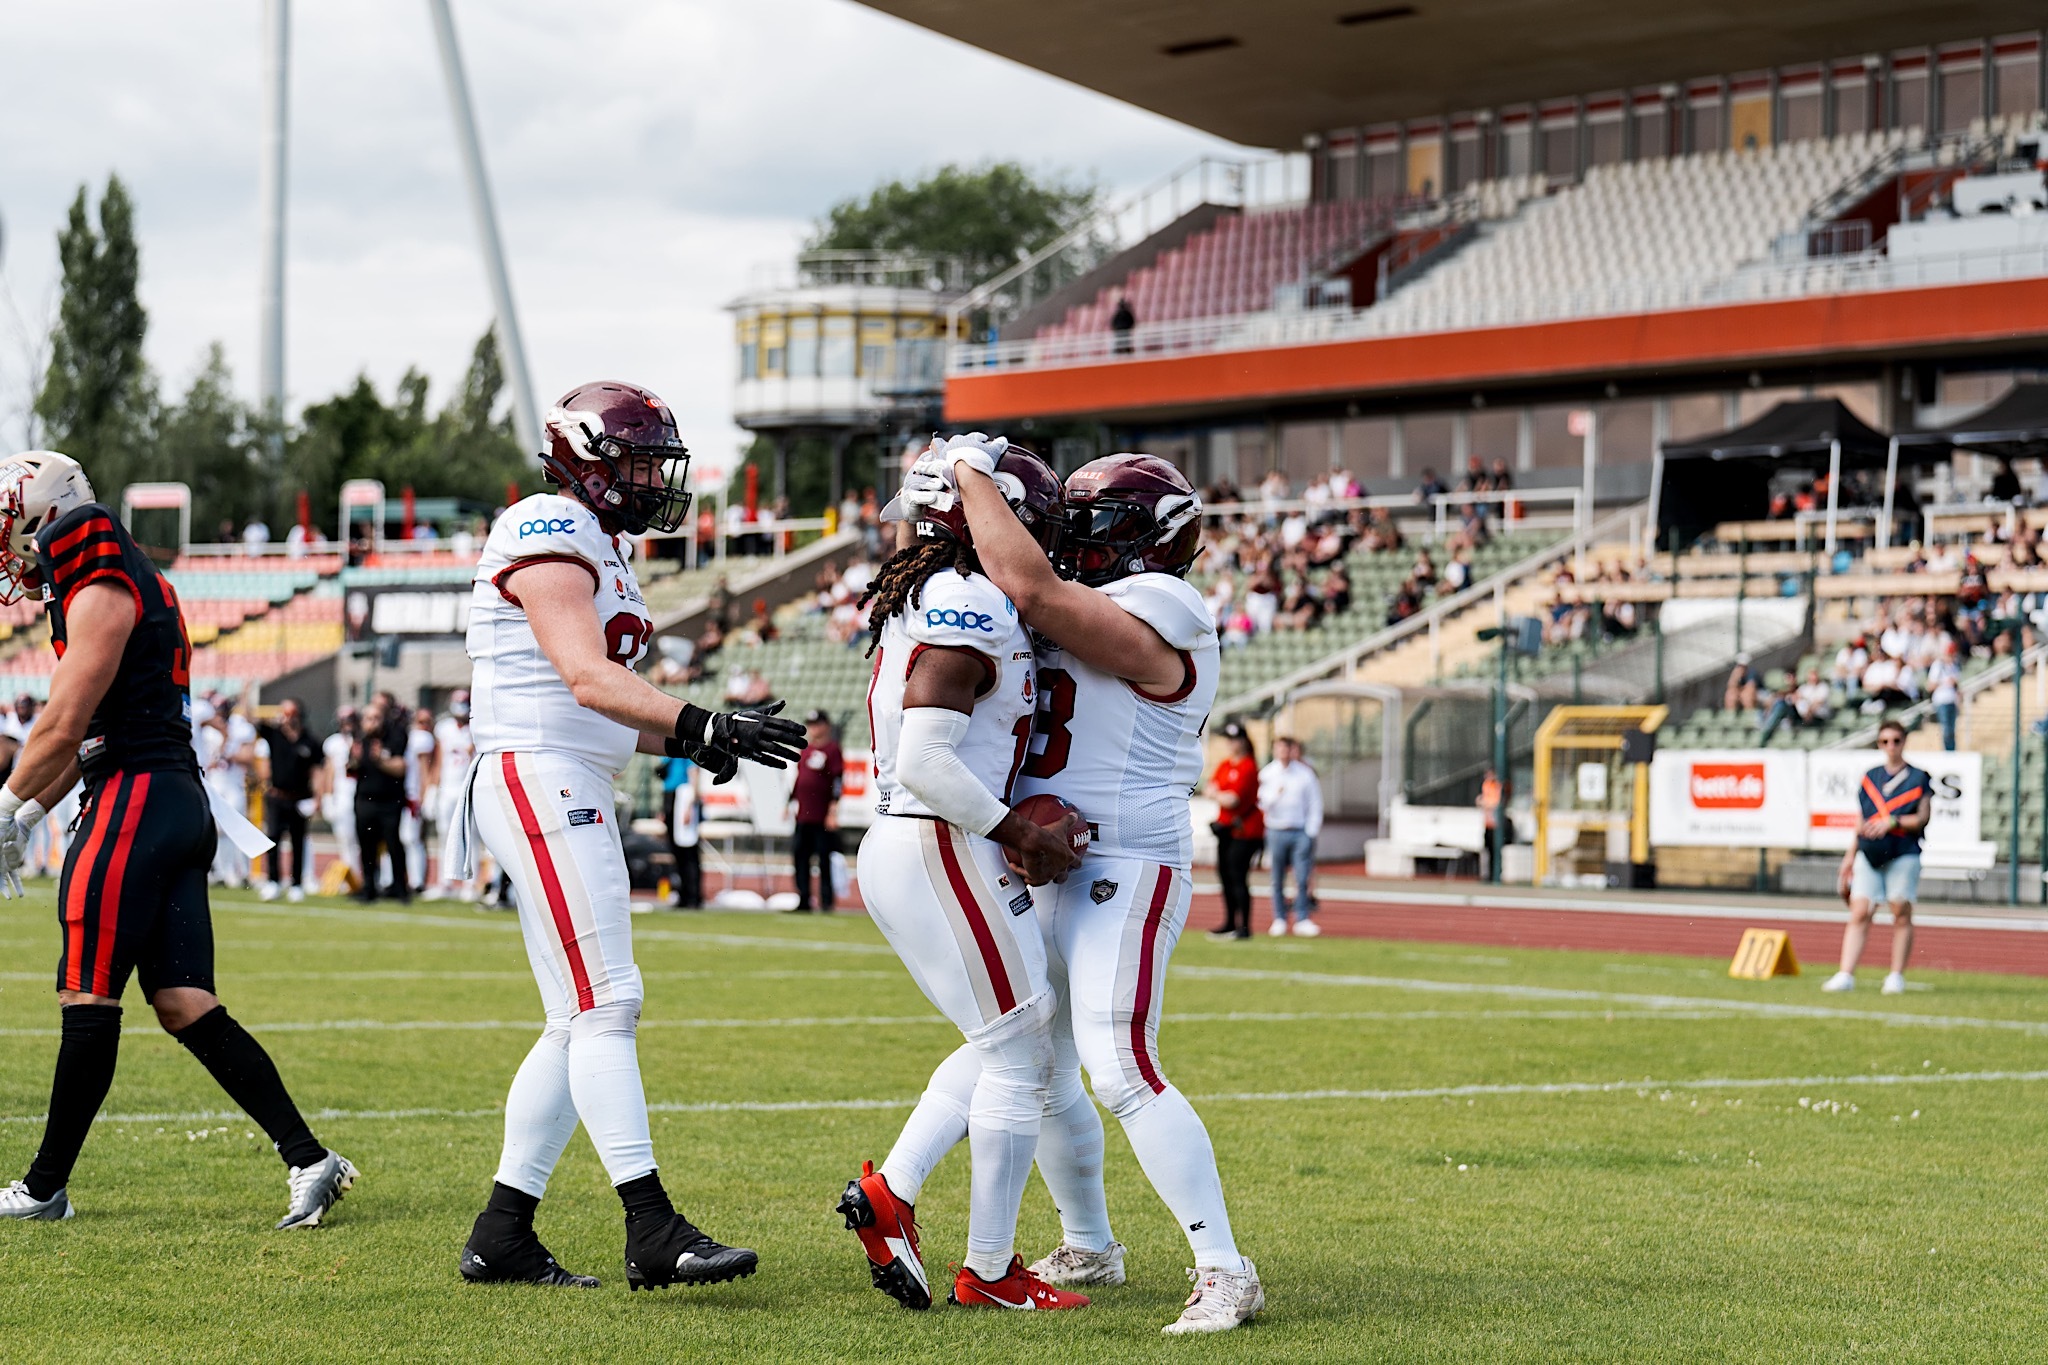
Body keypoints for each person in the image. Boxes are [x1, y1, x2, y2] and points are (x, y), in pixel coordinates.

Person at [445, 381, 803, 1290]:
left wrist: (698, 734)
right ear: (587, 460)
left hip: (564, 772)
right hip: (539, 771)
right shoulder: (545, 523)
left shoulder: (601, 544)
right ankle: (650, 1225)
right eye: (639, 460)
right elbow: (583, 677)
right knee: (608, 1001)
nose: (653, 479)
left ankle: (503, 1232)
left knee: (576, 1016)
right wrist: (701, 724)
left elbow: (607, 706)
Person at [905, 439, 1266, 1334]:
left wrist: (970, 476)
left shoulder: (1164, 604)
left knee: (1117, 1061)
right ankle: (1090, 1240)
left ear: (1155, 540)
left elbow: (1032, 589)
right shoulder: (1075, 597)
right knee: (1028, 1052)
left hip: (1127, 863)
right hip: (1049, 854)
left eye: (1099, 525)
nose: (1077, 538)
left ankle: (1224, 1266)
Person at [0, 450, 354, 1227]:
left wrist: (6, 798)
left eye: (11, 527)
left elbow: (64, 723)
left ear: (42, 510)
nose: (12, 550)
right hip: (169, 795)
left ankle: (44, 1186)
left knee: (87, 989)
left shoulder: (89, 543)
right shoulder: (121, 571)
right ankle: (310, 1157)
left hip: (137, 797)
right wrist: (28, 814)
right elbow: (93, 735)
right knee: (183, 1000)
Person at [834, 443, 1087, 1315]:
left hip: (924, 842)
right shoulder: (969, 598)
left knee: (1006, 1042)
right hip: (935, 836)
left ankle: (892, 1194)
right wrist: (1021, 830)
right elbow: (928, 760)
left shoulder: (945, 590)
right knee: (1023, 1048)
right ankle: (990, 1267)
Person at [1823, 720, 1930, 996]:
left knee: (1899, 911)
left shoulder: (1918, 776)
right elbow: (1861, 822)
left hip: (1903, 851)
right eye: (1885, 741)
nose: (1891, 746)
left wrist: (1892, 822)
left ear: (1904, 741)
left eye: (1896, 740)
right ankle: (1845, 973)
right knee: (1859, 912)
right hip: (1870, 853)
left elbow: (1921, 818)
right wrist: (1849, 856)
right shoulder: (1871, 776)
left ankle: (1896, 975)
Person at [256, 699, 322, 902]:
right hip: (277, 796)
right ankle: (273, 881)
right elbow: (250, 718)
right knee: (273, 838)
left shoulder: (309, 741)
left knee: (297, 840)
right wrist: (247, 692)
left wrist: (318, 798)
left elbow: (317, 771)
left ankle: (297, 883)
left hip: (299, 798)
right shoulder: (274, 735)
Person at [1260, 736, 1322, 937]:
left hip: (1299, 831)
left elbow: (1314, 803)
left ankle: (1302, 918)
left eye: (1287, 748)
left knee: (1302, 877)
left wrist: (1311, 831)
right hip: (1276, 829)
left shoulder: (1304, 774)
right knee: (1277, 878)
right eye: (1279, 748)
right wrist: (1275, 795)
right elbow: (1261, 803)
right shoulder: (1268, 773)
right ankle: (1279, 918)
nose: (1283, 752)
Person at [349, 698, 410, 903]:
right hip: (365, 799)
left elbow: (400, 767)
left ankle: (400, 888)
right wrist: (355, 760)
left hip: (389, 801)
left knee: (393, 844)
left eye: (375, 718)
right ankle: (368, 887)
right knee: (366, 845)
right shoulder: (360, 740)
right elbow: (350, 770)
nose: (371, 722)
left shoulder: (395, 736)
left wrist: (380, 760)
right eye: (368, 718)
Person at [1207, 722, 1261, 940]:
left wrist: (1219, 794)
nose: (1231, 744)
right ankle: (1230, 921)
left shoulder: (1247, 766)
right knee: (1225, 875)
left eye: (1234, 740)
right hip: (1226, 830)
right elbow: (1210, 788)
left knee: (1238, 876)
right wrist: (1221, 795)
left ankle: (1244, 926)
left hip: (1244, 831)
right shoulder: (1226, 765)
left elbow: (1233, 799)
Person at [789, 710, 843, 913]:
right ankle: (803, 898)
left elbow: (837, 781)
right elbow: (799, 778)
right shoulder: (807, 749)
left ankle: (826, 901)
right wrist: (790, 802)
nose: (814, 728)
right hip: (803, 815)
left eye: (817, 724)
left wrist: (833, 810)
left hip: (821, 816)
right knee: (800, 857)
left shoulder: (832, 750)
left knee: (823, 859)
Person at [429, 691, 478, 900]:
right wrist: (432, 789)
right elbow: (438, 760)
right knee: (444, 836)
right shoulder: (444, 728)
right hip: (447, 787)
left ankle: (471, 885)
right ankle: (445, 882)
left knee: (472, 837)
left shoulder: (477, 726)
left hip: (468, 786)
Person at [321, 707, 360, 895]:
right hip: (343, 795)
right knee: (345, 838)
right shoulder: (334, 743)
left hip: (361, 795)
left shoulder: (363, 741)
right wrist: (327, 796)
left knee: (364, 839)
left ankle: (369, 877)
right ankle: (351, 877)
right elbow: (328, 771)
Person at [661, 752, 702, 909]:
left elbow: (694, 773)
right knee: (676, 849)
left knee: (688, 848)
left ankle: (693, 895)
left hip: (683, 797)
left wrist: (690, 805)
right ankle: (683, 894)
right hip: (670, 796)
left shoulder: (685, 749)